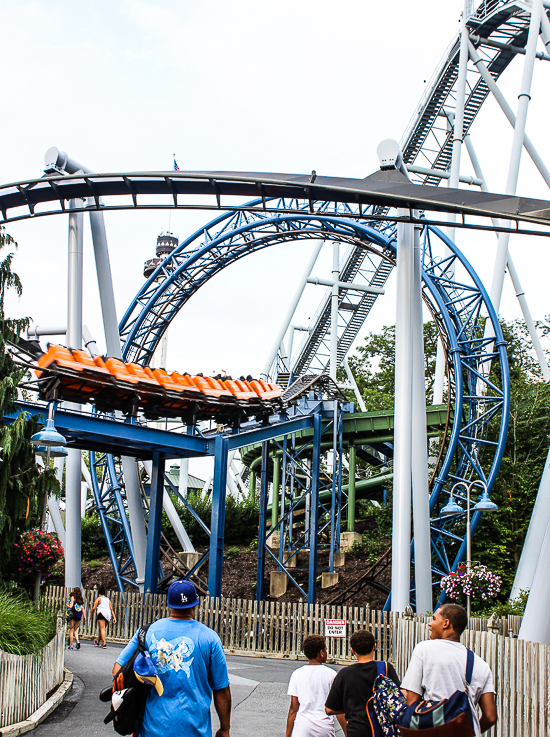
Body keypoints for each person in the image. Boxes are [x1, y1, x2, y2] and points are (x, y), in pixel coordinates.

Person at [112, 580, 231, 737]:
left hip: (152, 730)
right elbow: (221, 690)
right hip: (196, 732)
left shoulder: (147, 633)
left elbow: (117, 671)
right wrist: (224, 729)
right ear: (195, 604)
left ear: (169, 603)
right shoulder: (209, 638)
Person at [401, 603, 497, 736]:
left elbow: (412, 701)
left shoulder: (424, 649)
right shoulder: (481, 664)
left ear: (446, 623)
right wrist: (468, 730)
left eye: (434, 619)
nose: (430, 624)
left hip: (434, 731)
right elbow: (491, 716)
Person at [325, 630, 400, 737]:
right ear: (374, 647)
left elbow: (329, 709)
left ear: (352, 650)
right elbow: (402, 696)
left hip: (356, 731)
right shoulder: (386, 668)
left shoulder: (344, 674)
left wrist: (350, 706)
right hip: (383, 730)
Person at [285, 634, 347, 737]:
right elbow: (338, 708)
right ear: (321, 653)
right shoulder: (331, 674)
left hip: (302, 728)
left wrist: (287, 735)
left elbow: (293, 709)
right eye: (326, 650)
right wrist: (346, 732)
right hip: (324, 727)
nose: (327, 653)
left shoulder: (297, 674)